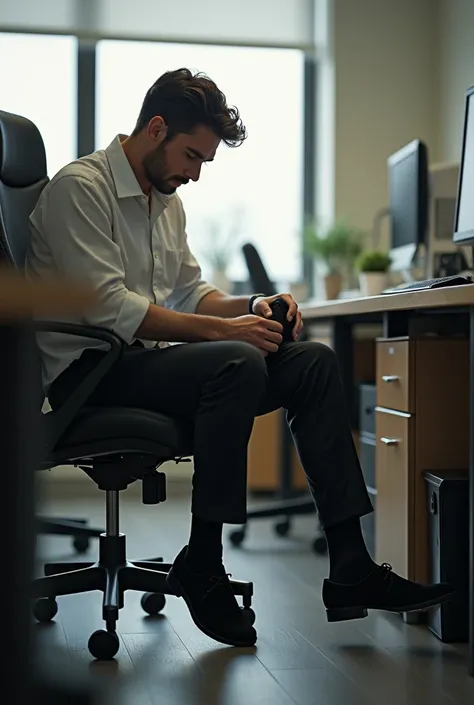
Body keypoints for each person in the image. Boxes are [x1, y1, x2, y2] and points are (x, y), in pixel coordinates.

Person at [26, 68, 453, 649]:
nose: (195, 173)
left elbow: (190, 293)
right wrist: (227, 334)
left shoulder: (163, 201)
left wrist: (255, 305)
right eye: (192, 155)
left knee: (312, 363)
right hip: (88, 376)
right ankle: (203, 561)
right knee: (237, 362)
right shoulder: (82, 189)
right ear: (156, 128)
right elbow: (109, 309)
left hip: (139, 365)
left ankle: (350, 565)